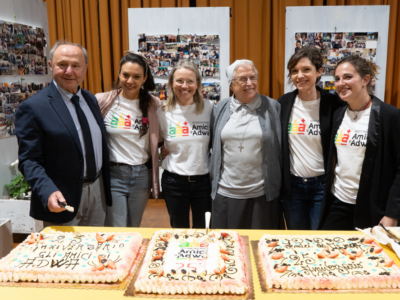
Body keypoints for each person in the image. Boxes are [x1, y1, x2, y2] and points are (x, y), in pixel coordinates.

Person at [15, 40, 112, 226]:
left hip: (97, 193)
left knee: (95, 250)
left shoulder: (90, 99)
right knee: (63, 254)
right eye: (62, 65)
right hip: (61, 197)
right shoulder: (33, 108)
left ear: (85, 68)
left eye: (76, 65)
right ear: (51, 65)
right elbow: (29, 160)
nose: (69, 71)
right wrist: (47, 190)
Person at [319, 55, 400, 230]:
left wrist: (392, 214)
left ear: (365, 80)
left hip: (372, 208)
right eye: (337, 79)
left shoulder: (390, 116)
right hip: (338, 203)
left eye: (348, 77)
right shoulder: (338, 115)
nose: (341, 83)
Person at [209, 60, 284, 229]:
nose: (249, 83)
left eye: (253, 77)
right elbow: (212, 146)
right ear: (231, 84)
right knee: (228, 247)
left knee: (259, 247)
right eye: (243, 79)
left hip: (262, 195)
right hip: (226, 193)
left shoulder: (273, 107)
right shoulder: (220, 108)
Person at [278, 48, 344, 230]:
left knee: (319, 238)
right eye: (294, 71)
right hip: (293, 187)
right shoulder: (284, 103)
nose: (300, 75)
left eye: (306, 69)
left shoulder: (334, 104)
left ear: (319, 71)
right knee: (297, 238)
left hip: (322, 187)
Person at [95, 52, 160, 227]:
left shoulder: (154, 104)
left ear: (145, 78)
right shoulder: (102, 100)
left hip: (141, 175)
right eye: (126, 75)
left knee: (133, 227)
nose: (130, 81)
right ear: (119, 74)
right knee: (117, 228)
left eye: (136, 76)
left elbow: (160, 135)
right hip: (114, 174)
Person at [158, 60, 213, 229]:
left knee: (203, 231)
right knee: (179, 231)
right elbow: (155, 142)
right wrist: (161, 154)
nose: (185, 86)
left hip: (204, 182)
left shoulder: (209, 108)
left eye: (190, 81)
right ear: (171, 83)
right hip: (174, 183)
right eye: (179, 81)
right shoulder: (162, 112)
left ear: (197, 84)